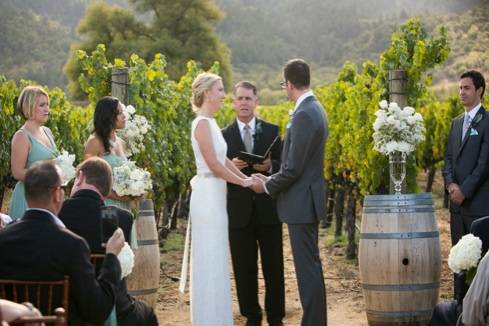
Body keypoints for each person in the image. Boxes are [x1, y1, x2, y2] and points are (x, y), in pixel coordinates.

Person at [251, 59, 329, 326]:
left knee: (308, 271)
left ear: (290, 84)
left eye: (284, 84)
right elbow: (297, 163)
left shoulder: (305, 113)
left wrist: (267, 184)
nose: (284, 89)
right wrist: (271, 174)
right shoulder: (311, 108)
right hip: (303, 201)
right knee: (310, 268)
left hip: (302, 203)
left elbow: (294, 168)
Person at [0, 160, 125, 326]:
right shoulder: (73, 245)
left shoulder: (3, 238)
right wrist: (111, 258)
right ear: (57, 194)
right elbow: (97, 310)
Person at [58, 157, 158, 326]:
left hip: (65, 305)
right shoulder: (123, 218)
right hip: (113, 307)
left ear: (80, 177)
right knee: (148, 315)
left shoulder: (58, 211)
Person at [188, 72, 253, 325]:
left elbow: (224, 160)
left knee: (216, 255)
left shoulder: (211, 123)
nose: (224, 95)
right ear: (207, 94)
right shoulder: (201, 124)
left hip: (216, 195)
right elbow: (214, 165)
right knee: (209, 256)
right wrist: (244, 182)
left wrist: (244, 178)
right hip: (207, 196)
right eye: (220, 90)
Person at [222, 81, 285, 326]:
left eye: (248, 98)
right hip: (238, 212)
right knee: (243, 268)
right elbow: (216, 169)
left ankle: (276, 316)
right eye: (240, 98)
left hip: (269, 209)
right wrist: (230, 166)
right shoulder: (222, 135)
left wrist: (271, 167)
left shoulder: (272, 131)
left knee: (274, 267)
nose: (244, 103)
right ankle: (252, 315)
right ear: (234, 102)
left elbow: (284, 166)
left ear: (256, 101)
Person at [443, 70, 489, 299]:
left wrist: (464, 191)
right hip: (457, 208)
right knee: (457, 263)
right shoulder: (456, 123)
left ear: (479, 90)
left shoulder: (488, 121)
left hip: (478, 207)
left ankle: (476, 315)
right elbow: (448, 158)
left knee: (478, 268)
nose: (462, 92)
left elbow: (484, 164)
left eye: (467, 88)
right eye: (460, 88)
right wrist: (451, 185)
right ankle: (458, 310)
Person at [9, 86, 58, 220]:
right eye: (42, 105)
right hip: (27, 198)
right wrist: (47, 170)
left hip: (46, 198)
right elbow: (17, 173)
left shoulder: (47, 132)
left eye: (47, 104)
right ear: (29, 107)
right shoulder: (21, 136)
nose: (47, 109)